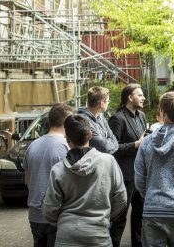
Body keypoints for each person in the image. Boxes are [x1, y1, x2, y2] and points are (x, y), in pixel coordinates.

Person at [42, 114, 127, 247]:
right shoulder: (109, 161)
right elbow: (121, 198)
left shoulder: (58, 170)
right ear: (90, 135)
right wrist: (105, 218)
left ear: (67, 139)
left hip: (66, 237)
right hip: (99, 236)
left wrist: (62, 222)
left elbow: (49, 208)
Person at [134, 91, 174, 247]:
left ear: (162, 111)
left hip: (152, 208)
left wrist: (149, 194)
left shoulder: (146, 143)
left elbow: (139, 177)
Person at [24, 103, 74, 247]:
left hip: (35, 216)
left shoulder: (32, 145)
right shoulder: (66, 146)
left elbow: (28, 181)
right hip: (57, 216)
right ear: (67, 122)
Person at [108, 84, 147, 247]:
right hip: (124, 175)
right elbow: (112, 147)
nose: (143, 97)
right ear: (130, 98)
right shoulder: (117, 118)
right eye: (140, 95)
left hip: (141, 173)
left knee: (140, 215)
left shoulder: (142, 115)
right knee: (119, 217)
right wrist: (136, 145)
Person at [77, 86, 118, 154]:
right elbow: (105, 148)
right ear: (102, 104)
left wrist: (110, 143)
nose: (108, 103)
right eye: (108, 101)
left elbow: (114, 140)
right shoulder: (84, 121)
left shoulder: (100, 117)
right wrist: (110, 142)